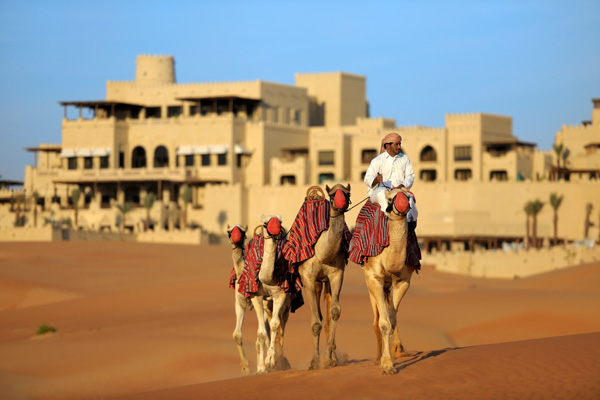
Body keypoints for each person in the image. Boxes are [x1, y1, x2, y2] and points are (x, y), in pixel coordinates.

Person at [363, 132, 418, 226]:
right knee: (382, 194)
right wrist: (376, 179)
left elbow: (410, 176)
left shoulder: (404, 159)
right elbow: (367, 178)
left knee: (410, 197)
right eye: (397, 144)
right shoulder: (377, 160)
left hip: (399, 190)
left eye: (400, 144)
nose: (399, 147)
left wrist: (403, 185)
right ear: (388, 145)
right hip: (380, 190)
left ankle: (409, 222)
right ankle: (387, 217)